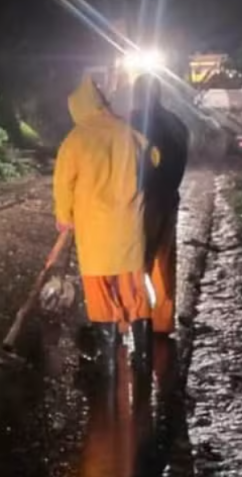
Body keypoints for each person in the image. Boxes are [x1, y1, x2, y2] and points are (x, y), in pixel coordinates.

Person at [54, 76, 159, 377]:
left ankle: (109, 360)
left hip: (94, 233)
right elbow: (154, 157)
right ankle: (143, 358)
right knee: (134, 292)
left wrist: (64, 216)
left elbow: (63, 183)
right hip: (128, 229)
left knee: (100, 294)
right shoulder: (129, 133)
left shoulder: (75, 140)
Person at [129, 75, 189, 336]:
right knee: (165, 260)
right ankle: (163, 323)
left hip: (146, 200)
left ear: (139, 94)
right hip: (170, 197)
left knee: (140, 260)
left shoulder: (136, 122)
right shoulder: (178, 124)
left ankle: (139, 319)